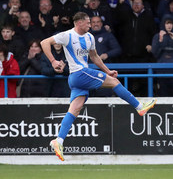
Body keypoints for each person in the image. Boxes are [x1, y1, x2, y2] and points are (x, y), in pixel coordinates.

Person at [40, 11, 156, 161]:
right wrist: (53, 61)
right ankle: (140, 107)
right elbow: (44, 43)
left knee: (74, 110)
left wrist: (108, 71)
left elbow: (94, 57)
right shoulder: (67, 35)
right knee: (115, 83)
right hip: (80, 73)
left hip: (78, 78)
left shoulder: (89, 37)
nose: (90, 24)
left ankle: (58, 140)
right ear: (79, 23)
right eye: (88, 22)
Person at [152, 17, 173, 96]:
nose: (169, 26)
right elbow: (155, 53)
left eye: (171, 23)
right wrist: (160, 41)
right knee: (163, 93)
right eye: (167, 23)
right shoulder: (157, 36)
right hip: (162, 71)